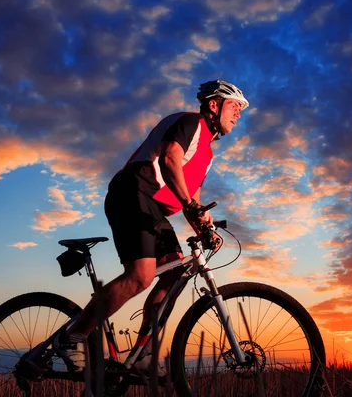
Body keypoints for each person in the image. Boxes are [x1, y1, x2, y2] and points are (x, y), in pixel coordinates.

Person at [53, 79, 250, 376]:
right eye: (234, 106)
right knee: (141, 276)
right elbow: (171, 158)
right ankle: (70, 338)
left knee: (174, 273)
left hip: (154, 208)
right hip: (133, 192)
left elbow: (190, 194)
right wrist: (191, 205)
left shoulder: (207, 153)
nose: (238, 114)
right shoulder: (190, 122)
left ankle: (142, 354)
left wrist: (203, 228)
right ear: (214, 104)